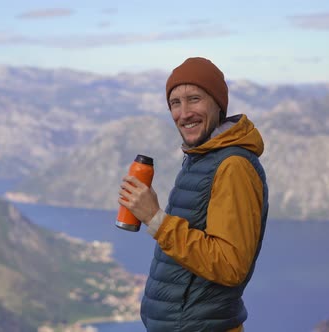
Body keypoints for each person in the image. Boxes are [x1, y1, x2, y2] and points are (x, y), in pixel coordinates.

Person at [118, 57, 268, 332]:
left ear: (217, 104)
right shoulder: (202, 158)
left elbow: (230, 264)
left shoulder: (233, 165)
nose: (184, 113)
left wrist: (155, 219)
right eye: (175, 103)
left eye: (194, 99)